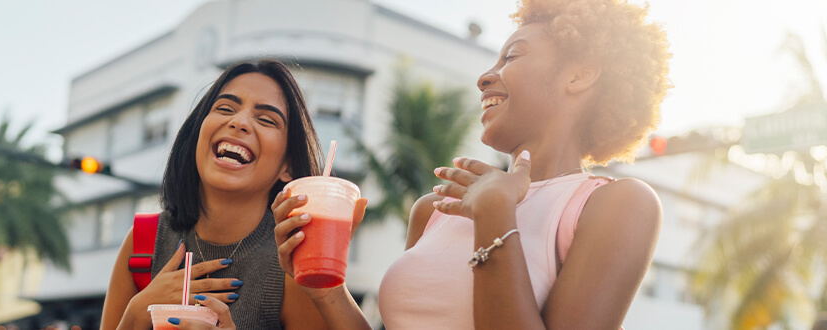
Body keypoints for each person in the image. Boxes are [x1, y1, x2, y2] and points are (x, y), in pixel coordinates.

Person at [275, 0, 672, 328]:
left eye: (511, 57)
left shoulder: (616, 205)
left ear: (580, 75)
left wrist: (495, 216)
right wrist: (326, 289)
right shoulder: (433, 210)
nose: (485, 77)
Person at [99, 60, 366, 329]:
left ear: (288, 166)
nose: (239, 122)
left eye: (266, 119)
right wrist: (135, 313)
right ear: (196, 135)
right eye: (225, 108)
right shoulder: (143, 242)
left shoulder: (292, 263)